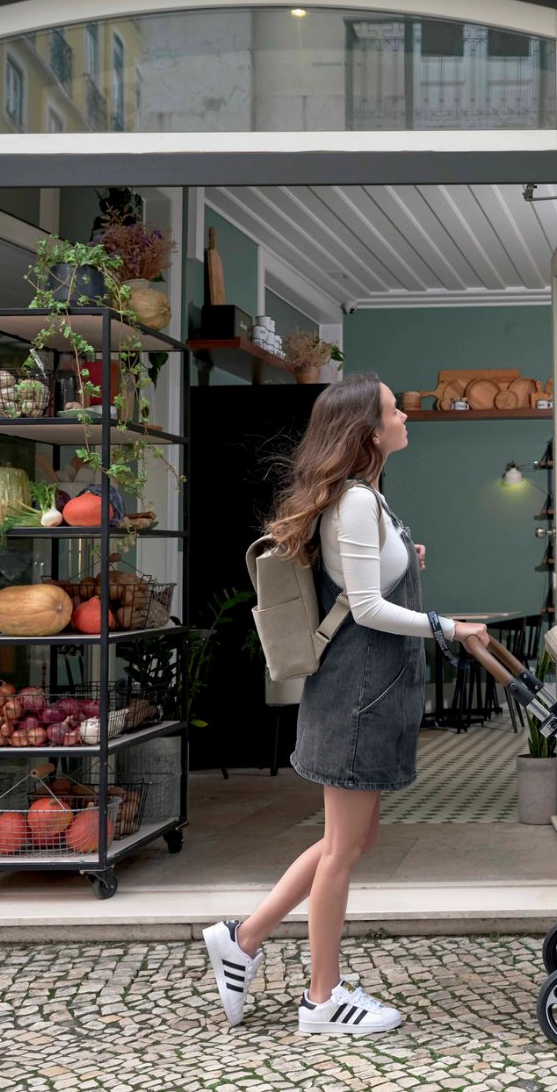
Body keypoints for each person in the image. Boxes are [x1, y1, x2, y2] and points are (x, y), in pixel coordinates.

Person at [201, 374, 489, 1035]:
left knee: (351, 840)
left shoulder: (367, 498)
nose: (404, 415)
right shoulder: (357, 500)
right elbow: (365, 609)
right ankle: (322, 1000)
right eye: (393, 409)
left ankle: (244, 938)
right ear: (369, 432)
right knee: (341, 849)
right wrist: (450, 627)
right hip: (359, 691)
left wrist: (404, 558)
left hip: (370, 689)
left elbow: (364, 580)